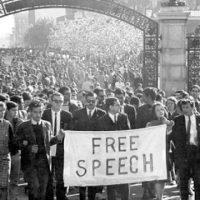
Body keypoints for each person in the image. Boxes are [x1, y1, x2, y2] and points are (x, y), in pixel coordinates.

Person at [16, 100, 62, 200]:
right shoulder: (23, 126)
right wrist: (29, 148)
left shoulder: (47, 125)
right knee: (34, 188)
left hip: (44, 163)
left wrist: (57, 138)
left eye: (40, 112)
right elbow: (17, 143)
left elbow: (48, 141)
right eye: (35, 112)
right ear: (30, 112)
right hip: (30, 163)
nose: (38, 115)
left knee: (43, 190)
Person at [73, 92, 106, 200]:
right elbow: (73, 131)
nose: (91, 103)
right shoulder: (77, 114)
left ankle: (92, 197)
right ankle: (82, 197)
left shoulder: (102, 113)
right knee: (82, 175)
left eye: (93, 101)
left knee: (93, 175)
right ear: (85, 101)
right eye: (89, 101)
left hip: (96, 150)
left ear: (96, 101)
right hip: (82, 150)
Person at [97, 97, 130, 200]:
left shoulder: (124, 117)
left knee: (125, 181)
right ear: (110, 107)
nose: (119, 106)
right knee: (111, 183)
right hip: (109, 156)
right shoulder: (101, 121)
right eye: (117, 104)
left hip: (122, 155)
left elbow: (129, 133)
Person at [42, 92, 72, 200]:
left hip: (61, 150)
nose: (58, 104)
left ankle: (61, 197)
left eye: (61, 101)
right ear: (50, 101)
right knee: (48, 177)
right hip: (47, 149)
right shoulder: (44, 114)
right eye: (56, 101)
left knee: (61, 177)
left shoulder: (67, 115)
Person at [170, 99, 200, 200]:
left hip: (197, 153)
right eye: (183, 108)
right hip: (183, 154)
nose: (185, 110)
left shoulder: (198, 119)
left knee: (198, 182)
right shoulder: (177, 120)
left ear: (192, 107)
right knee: (183, 184)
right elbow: (171, 136)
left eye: (187, 107)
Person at [146, 102, 174, 200]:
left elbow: (170, 137)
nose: (161, 112)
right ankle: (159, 197)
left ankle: (160, 196)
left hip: (165, 152)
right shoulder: (150, 124)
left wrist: (169, 126)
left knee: (163, 177)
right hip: (155, 152)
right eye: (158, 110)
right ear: (154, 112)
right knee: (158, 177)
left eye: (162, 109)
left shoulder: (168, 122)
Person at [136, 87, 157, 199]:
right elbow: (137, 125)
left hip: (156, 143)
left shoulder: (159, 107)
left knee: (154, 165)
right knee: (144, 165)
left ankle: (153, 188)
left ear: (148, 96)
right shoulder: (141, 109)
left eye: (143, 95)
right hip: (144, 142)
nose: (142, 98)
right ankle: (146, 189)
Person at [5, 101, 23, 200]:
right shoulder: (2, 121)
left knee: (15, 178)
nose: (16, 112)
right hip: (4, 153)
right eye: (13, 110)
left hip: (15, 153)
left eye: (17, 110)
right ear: (7, 110)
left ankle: (13, 197)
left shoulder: (19, 122)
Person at [0, 102, 16, 200]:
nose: (1, 112)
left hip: (4, 158)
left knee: (4, 185)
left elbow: (12, 143)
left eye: (2, 110)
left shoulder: (7, 124)